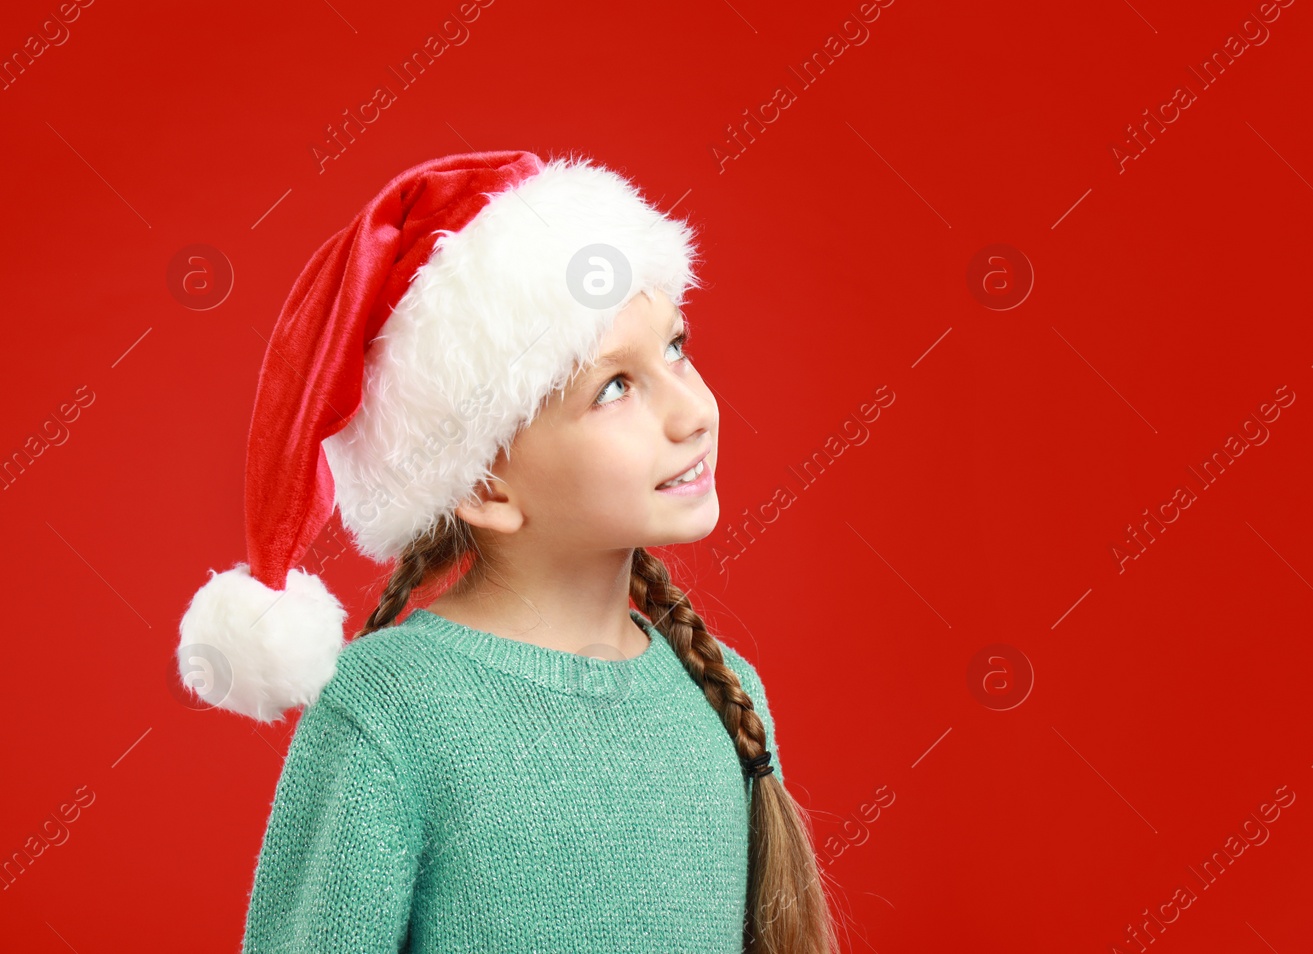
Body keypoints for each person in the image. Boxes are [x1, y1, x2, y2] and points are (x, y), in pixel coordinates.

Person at [175, 150, 839, 953]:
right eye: (615, 388)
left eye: (675, 346)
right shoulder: (390, 712)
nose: (694, 410)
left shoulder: (725, 697)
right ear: (484, 486)